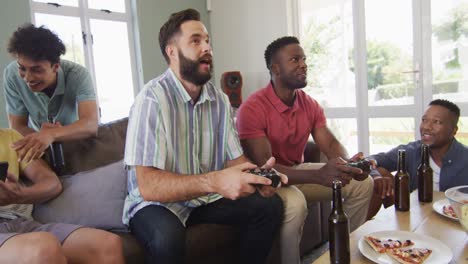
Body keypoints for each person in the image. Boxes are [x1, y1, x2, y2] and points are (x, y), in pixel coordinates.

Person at [122, 9, 285, 264]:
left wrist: (259, 178)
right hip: (155, 204)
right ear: (172, 51)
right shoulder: (151, 100)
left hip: (201, 199)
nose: (207, 47)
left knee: (270, 208)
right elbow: (149, 186)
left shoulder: (219, 99)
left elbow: (235, 162)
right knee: (167, 238)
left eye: (207, 40)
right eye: (196, 41)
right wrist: (214, 182)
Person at [236, 36, 374, 263]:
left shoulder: (308, 103)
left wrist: (348, 165)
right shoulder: (252, 108)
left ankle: (345, 253)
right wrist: (319, 175)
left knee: (362, 184)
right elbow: (265, 168)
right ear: (276, 68)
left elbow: (329, 144)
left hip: (297, 171)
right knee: (296, 202)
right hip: (268, 180)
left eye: (304, 59)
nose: (303, 64)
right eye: (295, 59)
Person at [0, 128, 124, 264]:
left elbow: (52, 184)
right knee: (44, 249)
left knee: (107, 245)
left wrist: (22, 195)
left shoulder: (11, 138)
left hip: (17, 221)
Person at [3, 23, 98, 163]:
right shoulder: (11, 75)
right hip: (39, 146)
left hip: (75, 144)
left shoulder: (78, 75)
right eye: (22, 68)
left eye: (36, 70)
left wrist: (52, 134)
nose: (27, 78)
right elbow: (17, 126)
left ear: (55, 66)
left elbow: (90, 125)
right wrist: (42, 136)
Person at [367, 99, 468, 218]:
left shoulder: (464, 157)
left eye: (436, 122)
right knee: (380, 172)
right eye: (424, 120)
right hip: (415, 215)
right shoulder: (411, 150)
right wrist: (376, 176)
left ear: (453, 131)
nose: (426, 127)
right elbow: (371, 160)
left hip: (455, 221)